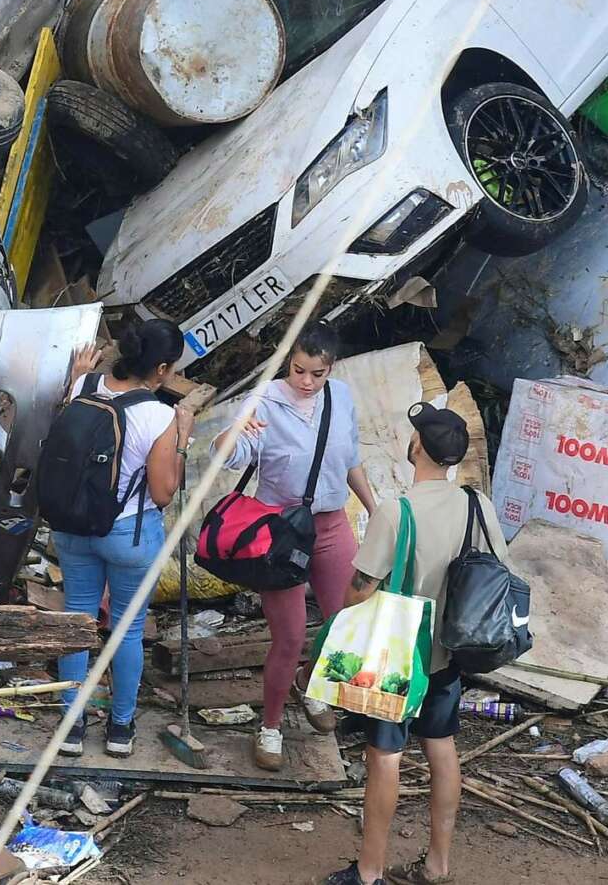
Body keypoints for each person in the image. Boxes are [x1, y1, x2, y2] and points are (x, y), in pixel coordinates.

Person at [329, 403, 502, 885]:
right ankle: (437, 864)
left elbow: (361, 588)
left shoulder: (396, 511)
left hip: (396, 657)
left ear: (417, 447)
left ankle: (369, 872)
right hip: (449, 650)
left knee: (385, 757)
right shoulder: (477, 505)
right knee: (441, 747)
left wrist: (339, 629)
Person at [223, 327, 380, 772]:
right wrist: (233, 432)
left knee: (346, 624)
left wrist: (374, 509)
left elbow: (350, 460)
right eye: (298, 370)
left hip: (332, 523)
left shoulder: (342, 397)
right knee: (289, 636)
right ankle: (270, 726)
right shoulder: (265, 401)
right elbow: (230, 455)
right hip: (279, 532)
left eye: (317, 373)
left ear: (331, 368)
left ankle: (309, 682)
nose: (306, 381)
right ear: (287, 362)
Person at [51, 316, 194, 760]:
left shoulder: (83, 386)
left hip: (72, 528)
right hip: (127, 535)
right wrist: (182, 441)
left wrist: (77, 375)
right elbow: (163, 492)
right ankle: (119, 728)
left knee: (76, 619)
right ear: (162, 369)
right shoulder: (159, 416)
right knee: (126, 631)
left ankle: (71, 727)